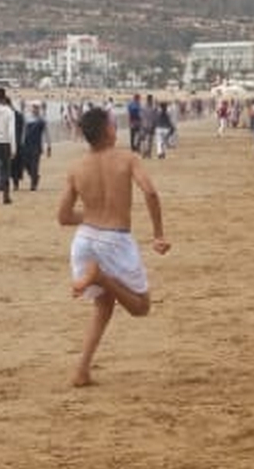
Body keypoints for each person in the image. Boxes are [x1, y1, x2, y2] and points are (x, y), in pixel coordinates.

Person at [57, 106, 170, 388]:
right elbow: (150, 191)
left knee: (103, 305)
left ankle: (81, 370)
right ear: (107, 130)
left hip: (84, 240)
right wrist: (158, 234)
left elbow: (63, 217)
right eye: (112, 124)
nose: (115, 128)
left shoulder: (76, 168)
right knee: (141, 306)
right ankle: (101, 277)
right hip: (114, 239)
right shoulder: (127, 158)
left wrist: (95, 215)